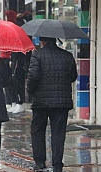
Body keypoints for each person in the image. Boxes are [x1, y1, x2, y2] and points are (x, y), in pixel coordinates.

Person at [27, 37, 77, 172]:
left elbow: (33, 76)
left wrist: (30, 92)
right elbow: (73, 76)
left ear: (42, 41)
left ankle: (40, 162)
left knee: (37, 131)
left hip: (41, 102)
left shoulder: (37, 55)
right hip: (61, 102)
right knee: (58, 133)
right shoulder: (67, 56)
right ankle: (57, 164)